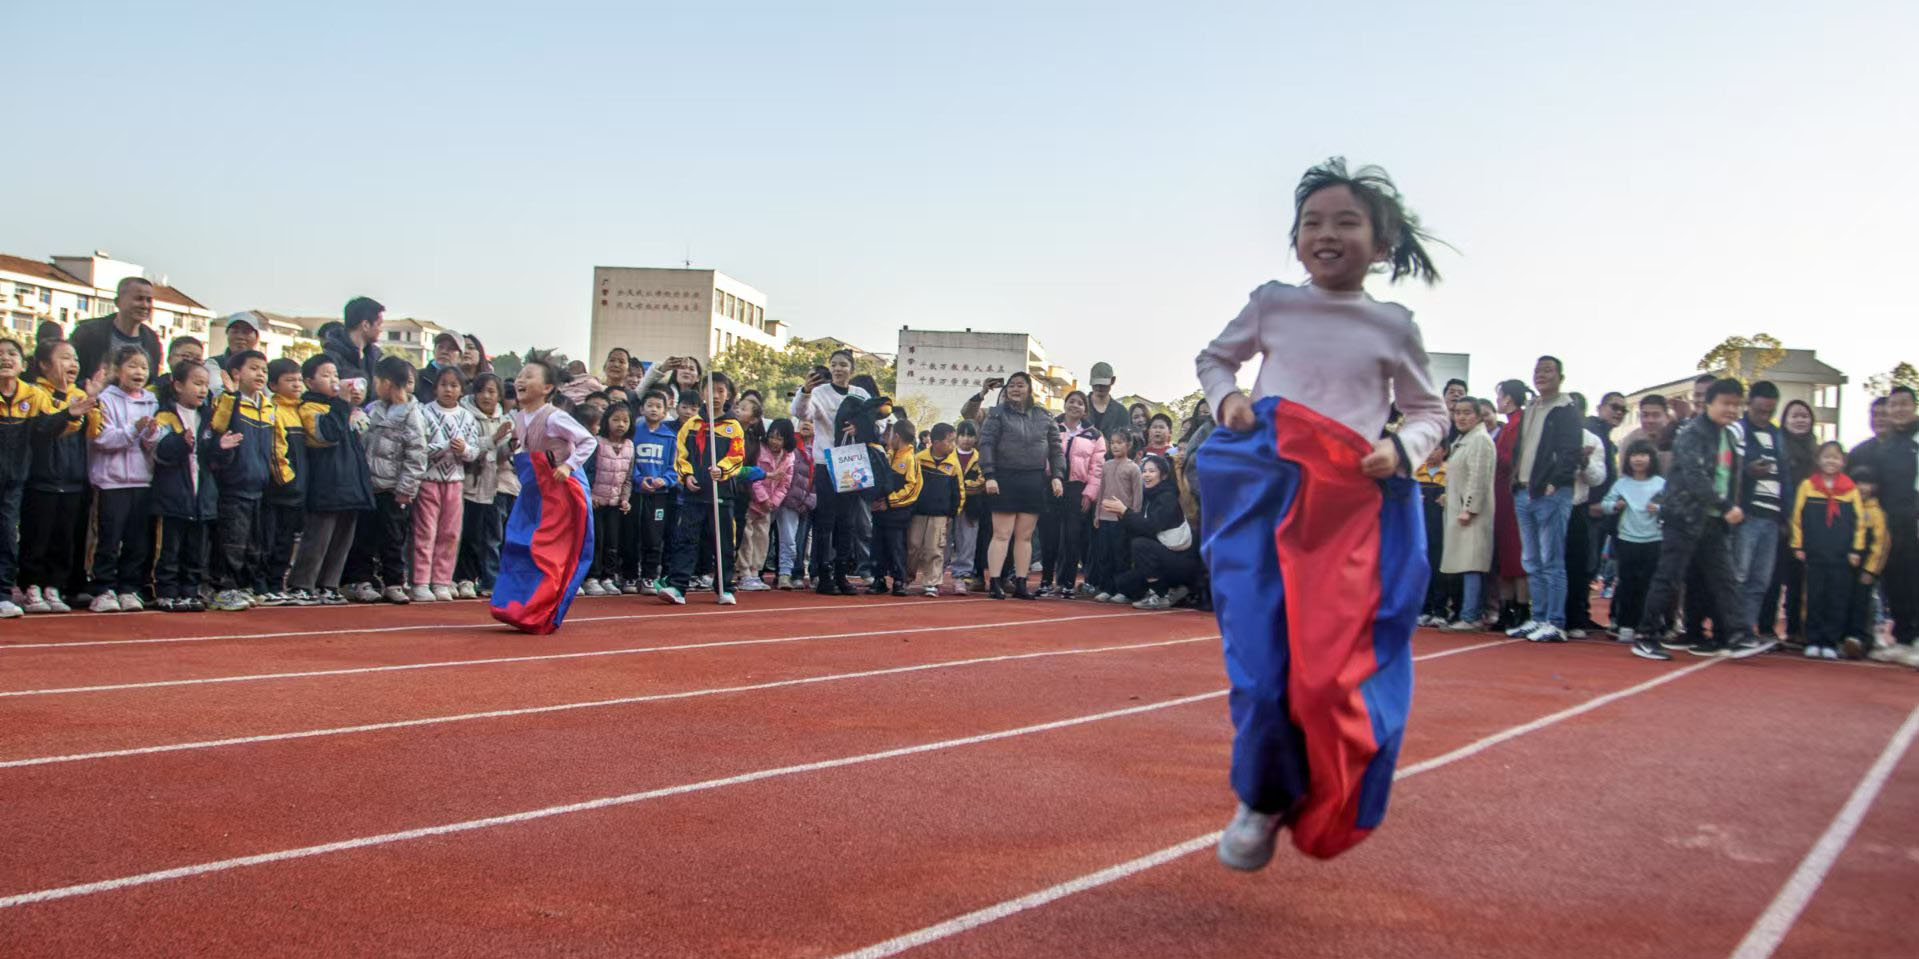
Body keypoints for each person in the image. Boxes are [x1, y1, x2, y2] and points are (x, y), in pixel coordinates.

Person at [1193, 157, 1447, 868]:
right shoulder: (1273, 302)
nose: (1325, 233)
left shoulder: (1392, 325)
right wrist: (1229, 401)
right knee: (1260, 667)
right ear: (1295, 237)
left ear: (1382, 243)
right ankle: (1260, 798)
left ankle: (1327, 790)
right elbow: (1214, 360)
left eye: (1345, 222)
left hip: (1346, 516)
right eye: (1311, 222)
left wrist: (1400, 447)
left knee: (1324, 676)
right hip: (1264, 498)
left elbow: (1429, 410)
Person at [1628, 379, 1770, 661]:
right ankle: (1646, 635)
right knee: (1669, 577)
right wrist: (1725, 504)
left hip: (1713, 520)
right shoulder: (1692, 433)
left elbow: (1729, 476)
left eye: (1736, 404)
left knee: (1723, 578)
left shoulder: (1729, 435)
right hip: (1684, 516)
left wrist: (1728, 507)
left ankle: (1739, 635)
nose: (1731, 409)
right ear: (1709, 404)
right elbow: (1695, 476)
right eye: (1725, 403)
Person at [491, 358, 598, 633]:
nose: (520, 381)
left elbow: (588, 440)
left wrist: (568, 465)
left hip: (561, 490)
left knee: (550, 552)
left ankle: (542, 612)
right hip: (534, 489)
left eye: (529, 376)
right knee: (520, 543)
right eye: (519, 376)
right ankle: (519, 606)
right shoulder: (518, 417)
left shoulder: (553, 416)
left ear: (548, 387)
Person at [207, 351, 294, 612]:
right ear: (236, 374)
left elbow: (279, 445)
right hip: (234, 485)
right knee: (231, 541)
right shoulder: (227, 401)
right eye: (253, 368)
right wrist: (231, 398)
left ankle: (244, 585)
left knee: (254, 543)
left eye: (264, 370)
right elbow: (217, 427)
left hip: (259, 486)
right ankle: (223, 588)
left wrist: (283, 476)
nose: (260, 374)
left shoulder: (268, 406)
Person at [17, 339, 99, 614]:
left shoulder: (80, 395)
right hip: (41, 479)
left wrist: (93, 404)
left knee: (64, 539)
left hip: (73, 479)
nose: (72, 364)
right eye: (64, 358)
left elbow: (93, 434)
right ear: (43, 364)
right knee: (37, 537)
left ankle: (55, 586)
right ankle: (31, 587)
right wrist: (68, 412)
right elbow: (41, 431)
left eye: (75, 358)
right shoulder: (34, 393)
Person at [1505, 356, 1582, 643]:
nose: (1541, 375)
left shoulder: (1566, 409)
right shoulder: (1531, 408)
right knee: (1531, 560)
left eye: (1548, 371)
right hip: (1524, 490)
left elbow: (1571, 450)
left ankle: (1555, 620)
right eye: (1538, 370)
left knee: (1552, 559)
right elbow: (1521, 447)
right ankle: (1537, 618)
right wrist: (1515, 478)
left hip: (1550, 492)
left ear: (1560, 376)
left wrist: (1556, 481)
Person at [289, 355, 374, 606]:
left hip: (350, 483)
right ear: (309, 382)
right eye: (326, 375)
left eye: (336, 375)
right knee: (318, 537)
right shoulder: (309, 408)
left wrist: (352, 407)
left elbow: (362, 433)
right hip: (326, 484)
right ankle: (302, 583)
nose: (334, 381)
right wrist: (341, 404)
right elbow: (326, 435)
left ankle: (329, 584)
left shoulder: (342, 407)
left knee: (342, 539)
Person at [661, 372, 746, 606]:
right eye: (711, 390)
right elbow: (681, 455)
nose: (716, 395)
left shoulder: (733, 427)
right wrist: (686, 476)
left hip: (722, 496)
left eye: (721, 390)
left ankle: (725, 587)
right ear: (702, 394)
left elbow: (737, 456)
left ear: (728, 395)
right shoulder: (691, 425)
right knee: (686, 539)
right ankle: (677, 586)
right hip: (694, 495)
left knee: (723, 543)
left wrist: (722, 470)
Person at [979, 371, 1065, 601]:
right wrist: (989, 474)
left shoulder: (1045, 416)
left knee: (1025, 537)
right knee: (1002, 534)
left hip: (1034, 480)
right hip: (1004, 478)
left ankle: (1021, 583)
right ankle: (995, 582)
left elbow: (1056, 450)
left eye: (1020, 385)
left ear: (1029, 389)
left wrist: (1057, 476)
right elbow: (986, 444)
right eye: (1012, 386)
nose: (1016, 389)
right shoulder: (997, 414)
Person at [84, 346, 159, 612]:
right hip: (111, 481)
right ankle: (103, 587)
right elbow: (102, 439)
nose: (139, 372)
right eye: (132, 366)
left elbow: (152, 445)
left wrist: (150, 434)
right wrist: (133, 429)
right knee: (109, 538)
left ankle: (129, 588)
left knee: (137, 540)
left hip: (142, 480)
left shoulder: (152, 401)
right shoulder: (105, 399)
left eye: (144, 367)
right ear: (117, 370)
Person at [1847, 386, 1918, 665]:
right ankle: (1903, 638)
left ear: (1913, 406)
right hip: (1889, 525)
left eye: (1904, 404)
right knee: (1896, 581)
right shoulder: (1886, 445)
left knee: (1914, 580)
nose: (1898, 409)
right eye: (1894, 405)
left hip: (1913, 521)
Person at [794, 349, 871, 596]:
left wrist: (860, 426)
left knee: (847, 522)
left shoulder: (860, 394)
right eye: (834, 365)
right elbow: (801, 413)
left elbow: (878, 421)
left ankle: (842, 574)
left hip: (851, 462)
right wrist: (804, 391)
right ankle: (823, 574)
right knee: (825, 520)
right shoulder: (818, 393)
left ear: (852, 369)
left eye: (844, 365)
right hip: (826, 462)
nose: (839, 369)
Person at [357, 357, 429, 605]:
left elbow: (417, 454)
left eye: (377, 380)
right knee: (364, 536)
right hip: (369, 487)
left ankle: (394, 582)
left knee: (393, 537)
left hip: (394, 489)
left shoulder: (412, 414)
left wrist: (406, 489)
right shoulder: (372, 409)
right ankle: (364, 580)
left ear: (387, 382)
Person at [149, 362, 218, 612]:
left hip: (202, 496)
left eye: (205, 385)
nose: (202, 390)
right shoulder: (165, 415)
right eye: (196, 383)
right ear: (178, 385)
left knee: (195, 549)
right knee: (170, 547)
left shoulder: (209, 418)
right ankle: (166, 590)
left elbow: (214, 457)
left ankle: (190, 591)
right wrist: (180, 442)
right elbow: (160, 452)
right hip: (173, 495)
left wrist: (223, 447)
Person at [1727, 380, 1791, 640]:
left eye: (1770, 412)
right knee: (1739, 575)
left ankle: (1745, 630)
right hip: (1746, 513)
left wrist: (1785, 515)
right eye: (1760, 411)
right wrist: (1748, 471)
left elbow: (1785, 475)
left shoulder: (1778, 435)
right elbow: (1725, 470)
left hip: (1772, 517)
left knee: (1760, 580)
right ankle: (1729, 628)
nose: (1765, 416)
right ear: (1748, 404)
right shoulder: (1736, 431)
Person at [1791, 442, 1866, 661]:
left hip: (1842, 555)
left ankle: (1830, 641)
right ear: (1818, 460)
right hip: (1815, 552)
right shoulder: (1808, 486)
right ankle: (1813, 639)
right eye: (1826, 457)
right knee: (1814, 596)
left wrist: (1856, 549)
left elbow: (1860, 523)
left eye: (1836, 458)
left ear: (1843, 462)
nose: (1831, 461)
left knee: (1837, 598)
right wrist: (1798, 545)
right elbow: (1797, 517)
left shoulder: (1850, 489)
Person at [413, 365, 481, 602]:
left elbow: (474, 451)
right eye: (443, 384)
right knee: (425, 531)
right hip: (428, 481)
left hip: (455, 481)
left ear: (461, 390)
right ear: (435, 388)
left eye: (454, 385)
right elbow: (419, 448)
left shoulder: (467, 416)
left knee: (450, 533)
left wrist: (464, 450)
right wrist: (443, 447)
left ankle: (442, 580)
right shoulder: (424, 413)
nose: (448, 390)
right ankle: (421, 580)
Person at [1105, 452, 1198, 610]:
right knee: (1124, 584)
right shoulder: (1149, 497)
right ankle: (1173, 590)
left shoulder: (1167, 497)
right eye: (1145, 471)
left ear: (1163, 475)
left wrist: (1126, 512)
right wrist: (1123, 515)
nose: (1147, 475)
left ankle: (1161, 594)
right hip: (1164, 556)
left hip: (1181, 561)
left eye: (1152, 471)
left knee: (1140, 545)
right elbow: (1140, 527)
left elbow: (1150, 528)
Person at [1761, 398, 1819, 642]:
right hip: (1779, 521)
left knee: (1799, 578)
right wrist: (1783, 517)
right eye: (1794, 415)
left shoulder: (1817, 451)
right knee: (1773, 577)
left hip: (1808, 526)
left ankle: (1795, 629)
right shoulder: (1777, 446)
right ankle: (1765, 628)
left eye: (1804, 416)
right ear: (1784, 420)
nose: (1799, 420)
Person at [1601, 440, 1665, 648]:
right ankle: (1626, 625)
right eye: (1634, 455)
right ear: (1628, 459)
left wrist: (1659, 509)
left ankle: (1647, 625)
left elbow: (1672, 507)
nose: (1638, 459)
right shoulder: (1622, 484)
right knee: (1627, 582)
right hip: (1627, 538)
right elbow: (1605, 504)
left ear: (1651, 459)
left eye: (1643, 455)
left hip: (1653, 539)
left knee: (1649, 584)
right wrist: (1616, 505)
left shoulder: (1660, 483)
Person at [257, 358, 310, 604]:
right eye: (290, 380)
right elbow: (276, 450)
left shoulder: (301, 410)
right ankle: (263, 584)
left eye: (299, 379)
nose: (296, 384)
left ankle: (278, 583)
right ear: (274, 385)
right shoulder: (274, 410)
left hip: (298, 491)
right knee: (271, 538)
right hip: (280, 490)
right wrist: (287, 482)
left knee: (287, 540)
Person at [1041, 390, 1104, 597]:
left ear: (1085, 409)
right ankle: (1045, 581)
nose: (1075, 406)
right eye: (1071, 401)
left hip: (1078, 489)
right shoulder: (1051, 426)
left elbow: (1097, 467)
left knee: (1072, 537)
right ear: (1064, 404)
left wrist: (1090, 494)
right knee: (1049, 535)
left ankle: (1067, 582)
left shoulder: (1094, 434)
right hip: (1052, 485)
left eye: (1080, 403)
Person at [456, 372, 512, 599]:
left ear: (499, 395)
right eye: (481, 391)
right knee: (466, 534)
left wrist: (511, 444)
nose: (486, 396)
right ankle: (463, 578)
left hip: (495, 486)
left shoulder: (504, 420)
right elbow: (468, 448)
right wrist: (494, 439)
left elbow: (502, 455)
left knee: (489, 536)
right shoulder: (465, 416)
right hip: (469, 484)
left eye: (491, 391)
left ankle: (484, 578)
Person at [1442, 396, 1496, 631]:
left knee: (1472, 563)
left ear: (1478, 416)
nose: (1461, 417)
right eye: (1457, 412)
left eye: (1467, 413)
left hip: (1471, 512)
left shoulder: (1480, 441)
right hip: (1458, 508)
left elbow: (1478, 477)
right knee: (1465, 563)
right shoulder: (1463, 440)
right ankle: (1468, 612)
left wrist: (1469, 508)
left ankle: (1471, 614)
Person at [0, 339, 42, 619]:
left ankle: (3, 593)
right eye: (0, 354)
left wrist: (72, 414)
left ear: (24, 365)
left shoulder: (33, 396)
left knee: (6, 534)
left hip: (14, 478)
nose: (5, 358)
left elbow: (51, 424)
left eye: (12, 354)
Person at [1561, 393, 1610, 637]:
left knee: (1576, 564)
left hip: (1576, 507)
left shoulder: (1592, 440)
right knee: (1547, 564)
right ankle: (1546, 614)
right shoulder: (1549, 436)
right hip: (1547, 506)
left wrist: (1584, 461)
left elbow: (1597, 478)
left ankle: (1575, 618)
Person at [1490, 379, 1531, 629]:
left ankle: (1522, 609)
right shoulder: (1509, 425)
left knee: (1516, 553)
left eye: (1500, 396)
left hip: (1512, 492)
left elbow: (1510, 457)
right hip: (1501, 495)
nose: (1498, 402)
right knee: (1505, 553)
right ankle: (1507, 608)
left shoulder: (1520, 424)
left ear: (1508, 398)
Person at [585, 402, 636, 597]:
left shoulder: (630, 447)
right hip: (596, 503)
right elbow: (587, 472)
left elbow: (628, 478)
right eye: (615, 420)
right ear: (606, 421)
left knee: (612, 543)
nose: (620, 424)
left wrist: (625, 499)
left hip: (615, 504)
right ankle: (592, 577)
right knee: (597, 541)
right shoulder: (596, 443)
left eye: (625, 420)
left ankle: (608, 577)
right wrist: (589, 495)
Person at [739, 417, 796, 592]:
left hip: (768, 507)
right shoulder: (759, 451)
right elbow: (754, 478)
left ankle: (755, 572)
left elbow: (785, 484)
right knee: (746, 538)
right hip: (753, 502)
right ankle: (744, 572)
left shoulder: (789, 458)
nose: (774, 442)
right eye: (772, 436)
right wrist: (763, 499)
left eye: (779, 438)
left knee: (762, 539)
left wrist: (773, 502)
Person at [68, 276, 163, 380]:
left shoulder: (152, 341)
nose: (145, 305)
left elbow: (150, 382)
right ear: (118, 302)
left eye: (149, 300)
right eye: (138, 299)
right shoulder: (88, 333)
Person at [631, 390, 679, 593]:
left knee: (654, 536)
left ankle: (650, 576)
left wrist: (664, 480)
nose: (653, 409)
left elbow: (674, 466)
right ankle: (630, 575)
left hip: (659, 496)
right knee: (632, 534)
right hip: (636, 493)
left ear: (665, 411)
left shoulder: (669, 437)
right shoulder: (634, 433)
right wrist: (639, 479)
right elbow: (628, 462)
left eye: (658, 407)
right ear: (642, 409)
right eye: (649, 405)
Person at [1086, 429, 1142, 601]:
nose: (1115, 446)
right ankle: (1107, 588)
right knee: (1105, 555)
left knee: (1121, 556)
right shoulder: (1107, 465)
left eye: (1120, 442)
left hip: (1123, 519)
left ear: (1129, 445)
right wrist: (1097, 514)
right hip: (1104, 518)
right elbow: (1101, 491)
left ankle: (1123, 590)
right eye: (1112, 442)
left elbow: (1137, 495)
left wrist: (1134, 518)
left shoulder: (1134, 468)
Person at [867, 420, 922, 595]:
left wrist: (889, 502)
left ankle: (899, 580)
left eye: (890, 435)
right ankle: (879, 579)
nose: (887, 438)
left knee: (896, 547)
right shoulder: (887, 456)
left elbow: (913, 488)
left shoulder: (910, 459)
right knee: (877, 546)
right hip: (880, 512)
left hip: (897, 513)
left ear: (896, 436)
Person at [908, 422, 963, 597]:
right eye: (950, 441)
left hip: (940, 514)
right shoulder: (919, 459)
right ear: (936, 442)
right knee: (913, 546)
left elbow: (959, 491)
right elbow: (911, 483)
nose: (953, 445)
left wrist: (953, 512)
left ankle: (932, 582)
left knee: (935, 549)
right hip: (918, 513)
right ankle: (905, 577)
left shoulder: (953, 465)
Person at [1844, 466, 1889, 660]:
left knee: (1863, 603)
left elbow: (1881, 544)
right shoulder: (1845, 506)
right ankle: (1842, 638)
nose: (1862, 487)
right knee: (1843, 600)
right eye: (1858, 482)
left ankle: (1860, 639)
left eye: (1867, 483)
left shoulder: (1877, 513)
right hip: (1845, 566)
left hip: (1865, 568)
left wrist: (1871, 570)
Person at [774, 417, 816, 590]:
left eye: (812, 421)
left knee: (802, 539)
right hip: (788, 500)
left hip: (808, 501)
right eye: (803, 420)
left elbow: (819, 478)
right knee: (787, 538)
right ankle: (784, 573)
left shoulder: (819, 448)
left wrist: (810, 500)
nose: (806, 423)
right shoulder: (790, 445)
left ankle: (798, 572)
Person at [323, 297, 386, 406]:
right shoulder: (331, 358)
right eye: (379, 324)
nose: (381, 330)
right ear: (365, 325)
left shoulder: (375, 358)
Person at [951, 420, 987, 592]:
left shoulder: (980, 459)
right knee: (941, 541)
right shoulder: (948, 455)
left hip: (971, 507)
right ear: (956, 437)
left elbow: (982, 482)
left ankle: (962, 576)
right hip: (947, 505)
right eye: (963, 435)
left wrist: (961, 487)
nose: (966, 439)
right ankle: (934, 576)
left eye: (970, 435)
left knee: (967, 541)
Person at [1618, 393, 1675, 475]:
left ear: (1667, 417)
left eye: (1656, 415)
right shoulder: (1630, 441)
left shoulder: (1678, 439)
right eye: (1645, 415)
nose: (1650, 420)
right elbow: (1623, 475)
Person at [206, 314, 261, 398]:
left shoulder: (263, 368)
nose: (240, 336)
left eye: (246, 332)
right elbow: (217, 392)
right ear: (227, 335)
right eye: (235, 332)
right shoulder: (213, 364)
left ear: (257, 337)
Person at [1085, 362, 1132, 445]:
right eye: (1096, 384)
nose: (1099, 387)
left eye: (1103, 384)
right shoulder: (1079, 406)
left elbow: (1125, 444)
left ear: (1113, 380)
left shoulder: (1121, 412)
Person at [412, 331, 465, 405]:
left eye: (451, 348)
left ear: (460, 357)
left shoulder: (466, 383)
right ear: (434, 351)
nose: (444, 351)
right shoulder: (416, 377)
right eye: (440, 347)